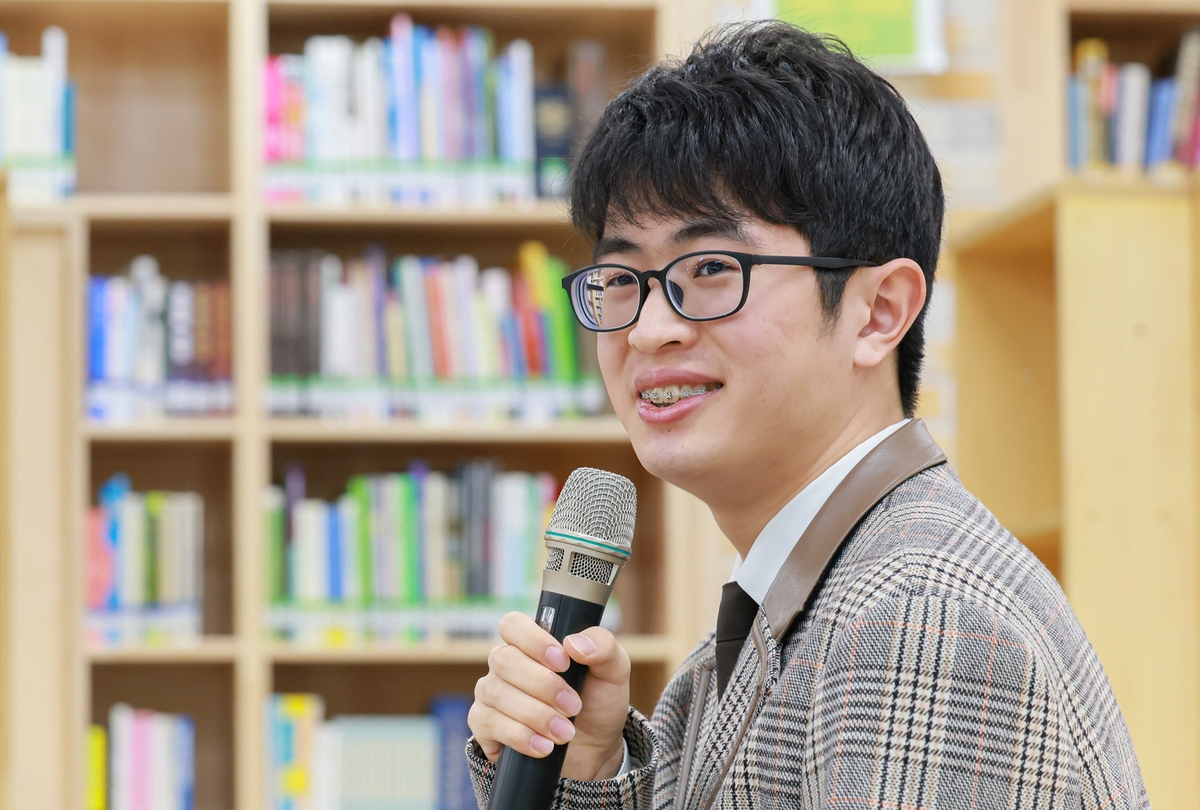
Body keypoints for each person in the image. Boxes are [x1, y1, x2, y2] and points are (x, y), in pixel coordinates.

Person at [465, 21, 1149, 809]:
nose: (650, 329)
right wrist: (587, 772)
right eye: (621, 279)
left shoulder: (917, 618)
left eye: (711, 267)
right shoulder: (786, 609)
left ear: (878, 312)